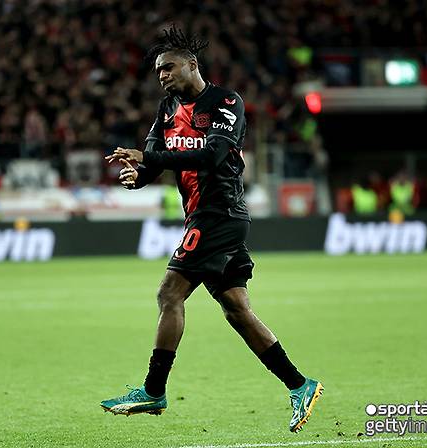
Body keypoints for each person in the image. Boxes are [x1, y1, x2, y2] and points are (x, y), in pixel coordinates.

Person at [100, 26, 323, 433]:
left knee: (169, 293)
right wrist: (138, 175)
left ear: (192, 64)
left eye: (169, 67)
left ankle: (153, 390)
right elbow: (155, 158)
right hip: (202, 216)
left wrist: (150, 157)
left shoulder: (225, 102)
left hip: (220, 214)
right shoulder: (167, 108)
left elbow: (214, 154)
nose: (163, 76)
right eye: (158, 71)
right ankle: (299, 384)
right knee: (237, 309)